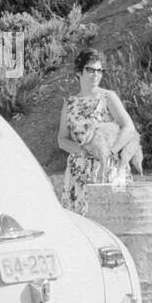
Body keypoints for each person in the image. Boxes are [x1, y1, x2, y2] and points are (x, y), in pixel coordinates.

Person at [57, 48, 140, 214]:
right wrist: (82, 151)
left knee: (114, 218)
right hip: (79, 171)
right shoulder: (70, 103)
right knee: (82, 223)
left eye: (99, 70)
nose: (96, 74)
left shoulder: (107, 97)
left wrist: (111, 152)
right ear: (79, 72)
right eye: (90, 70)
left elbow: (129, 127)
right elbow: (62, 139)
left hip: (108, 167)